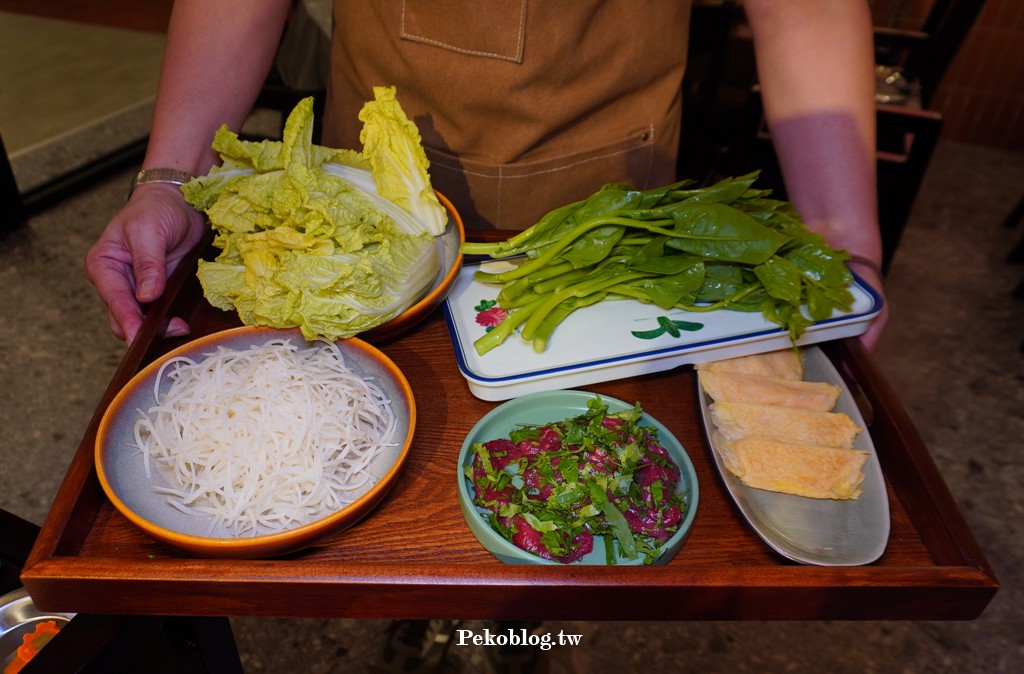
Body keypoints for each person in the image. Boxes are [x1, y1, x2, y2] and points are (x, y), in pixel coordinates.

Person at [83, 1, 885, 669]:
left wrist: (847, 247)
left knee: (560, 509)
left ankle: (517, 635)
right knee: (405, 524)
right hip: (374, 207)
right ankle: (443, 622)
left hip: (601, 192)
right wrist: (170, 176)